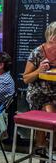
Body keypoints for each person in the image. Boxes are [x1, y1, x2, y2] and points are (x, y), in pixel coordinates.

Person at [23, 22, 56, 153]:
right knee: (50, 111)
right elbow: (26, 78)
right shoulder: (37, 53)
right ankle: (43, 149)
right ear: (51, 36)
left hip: (54, 93)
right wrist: (39, 70)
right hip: (39, 93)